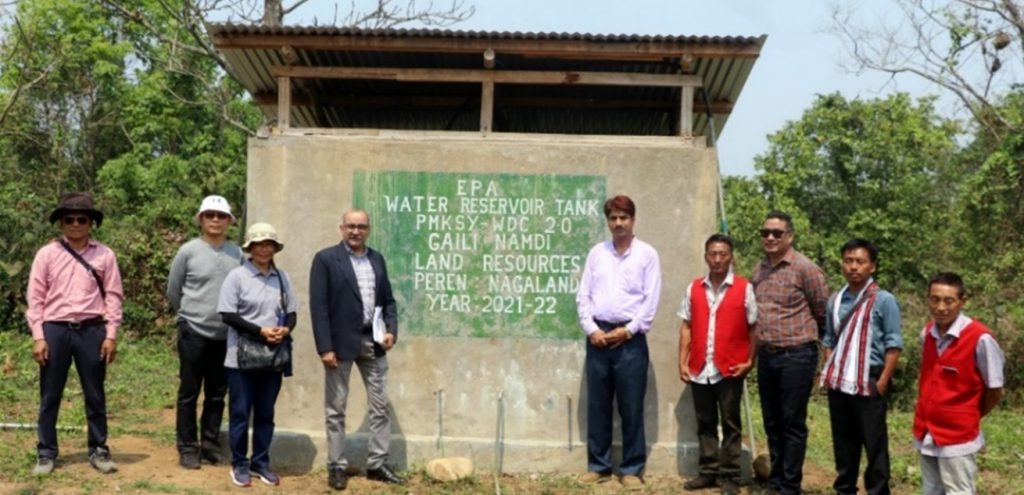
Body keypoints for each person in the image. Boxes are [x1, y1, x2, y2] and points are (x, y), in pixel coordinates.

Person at [26, 192, 124, 476]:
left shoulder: (105, 255)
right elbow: (36, 298)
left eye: (82, 219)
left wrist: (111, 333)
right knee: (50, 394)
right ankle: (46, 452)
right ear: (61, 223)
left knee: (95, 393)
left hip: (92, 329)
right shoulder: (47, 255)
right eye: (69, 219)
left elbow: (114, 297)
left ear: (91, 223)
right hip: (55, 329)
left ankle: (98, 449)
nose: (76, 224)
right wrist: (39, 336)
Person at [309, 209, 405, 491]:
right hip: (339, 346)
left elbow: (388, 300)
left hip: (373, 342)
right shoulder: (326, 259)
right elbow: (319, 307)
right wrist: (324, 347)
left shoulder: (377, 259)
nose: (355, 231)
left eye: (361, 226)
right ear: (341, 228)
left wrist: (391, 330)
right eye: (350, 226)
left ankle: (377, 464)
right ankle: (337, 466)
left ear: (368, 230)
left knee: (380, 405)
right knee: (336, 408)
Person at [575, 195, 661, 491]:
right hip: (598, 338)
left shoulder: (647, 255)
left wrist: (629, 329)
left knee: (631, 405)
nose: (618, 223)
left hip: (630, 341)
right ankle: (598, 466)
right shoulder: (596, 254)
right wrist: (590, 329)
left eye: (624, 217)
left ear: (633, 220)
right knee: (598, 404)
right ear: (608, 221)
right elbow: (583, 295)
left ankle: (632, 469)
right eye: (613, 218)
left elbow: (650, 300)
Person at [751, 210, 828, 495]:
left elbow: (822, 311)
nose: (770, 238)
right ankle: (776, 480)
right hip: (767, 355)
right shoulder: (759, 270)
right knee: (772, 420)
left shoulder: (805, 269)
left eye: (777, 233)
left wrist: (817, 350)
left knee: (792, 421)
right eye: (765, 233)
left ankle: (790, 485)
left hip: (797, 355)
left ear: (790, 236)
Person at [217, 223, 298, 487]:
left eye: (268, 244)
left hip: (273, 355)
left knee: (266, 413)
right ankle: (239, 463)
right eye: (258, 244)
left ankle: (261, 462)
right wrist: (260, 331)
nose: (264, 249)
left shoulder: (283, 278)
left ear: (275, 248)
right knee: (240, 412)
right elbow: (228, 314)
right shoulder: (237, 277)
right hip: (240, 357)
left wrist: (285, 329)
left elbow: (292, 312)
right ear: (249, 248)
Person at [819, 239, 902, 495]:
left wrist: (882, 381)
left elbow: (893, 343)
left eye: (860, 262)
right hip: (840, 382)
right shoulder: (836, 299)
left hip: (869, 379)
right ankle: (845, 489)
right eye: (848, 261)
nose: (853, 267)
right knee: (844, 444)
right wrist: (832, 366)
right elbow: (829, 339)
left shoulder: (884, 300)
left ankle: (877, 491)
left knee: (874, 444)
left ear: (872, 267)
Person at [166, 195, 243, 469]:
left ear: (228, 222)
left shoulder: (238, 254)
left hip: (226, 335)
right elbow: (174, 291)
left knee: (216, 393)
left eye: (221, 216)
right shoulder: (188, 251)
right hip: (193, 332)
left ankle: (209, 445)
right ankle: (187, 448)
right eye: (209, 215)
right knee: (189, 392)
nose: (215, 220)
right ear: (201, 219)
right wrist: (189, 315)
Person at [679, 233, 757, 495]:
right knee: (705, 422)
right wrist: (683, 362)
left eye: (723, 254)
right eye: (713, 254)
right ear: (706, 257)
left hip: (730, 367)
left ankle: (730, 476)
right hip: (701, 368)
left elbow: (754, 328)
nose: (717, 259)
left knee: (731, 424)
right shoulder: (694, 288)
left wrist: (749, 361)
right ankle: (708, 472)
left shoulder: (745, 288)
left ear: (731, 257)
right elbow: (686, 327)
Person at [913, 272, 1004, 495]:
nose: (941, 307)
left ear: (962, 302)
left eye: (949, 301)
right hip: (926, 431)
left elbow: (995, 389)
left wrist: (969, 415)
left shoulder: (980, 339)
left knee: (958, 491)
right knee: (932, 489)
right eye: (935, 299)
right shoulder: (927, 334)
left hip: (958, 436)